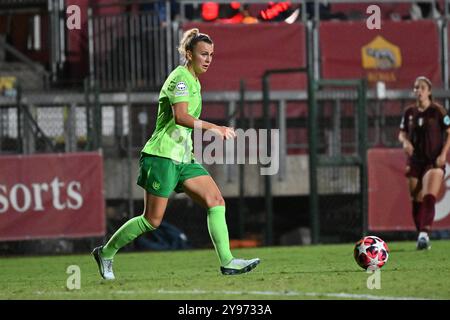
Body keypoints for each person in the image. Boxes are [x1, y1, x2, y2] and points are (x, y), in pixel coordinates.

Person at [92, 28, 260, 280]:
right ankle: (105, 252)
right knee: (152, 220)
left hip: (184, 158)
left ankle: (228, 262)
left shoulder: (194, 82)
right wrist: (215, 128)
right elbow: (181, 117)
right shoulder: (180, 78)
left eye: (211, 55)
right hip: (162, 156)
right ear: (189, 53)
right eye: (203, 54)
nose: (208, 59)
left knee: (216, 201)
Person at [398, 76, 450, 250]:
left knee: (429, 196)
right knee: (416, 198)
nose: (418, 91)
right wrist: (405, 142)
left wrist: (443, 154)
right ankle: (421, 234)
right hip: (415, 161)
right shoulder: (409, 113)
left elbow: (449, 132)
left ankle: (424, 234)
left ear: (429, 91)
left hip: (433, 161)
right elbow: (402, 133)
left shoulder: (438, 111)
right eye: (415, 87)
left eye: (421, 87)